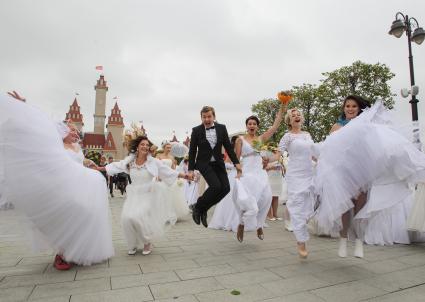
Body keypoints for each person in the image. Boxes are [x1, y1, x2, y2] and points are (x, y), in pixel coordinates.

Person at [1, 92, 114, 270]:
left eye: (76, 131)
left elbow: (80, 161)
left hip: (78, 184)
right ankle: (62, 252)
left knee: (84, 213)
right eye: (71, 130)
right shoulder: (53, 144)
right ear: (62, 130)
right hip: (60, 185)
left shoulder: (77, 146)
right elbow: (37, 128)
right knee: (66, 214)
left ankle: (76, 249)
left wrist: (92, 164)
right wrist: (22, 106)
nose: (75, 133)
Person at [98, 135, 188, 255]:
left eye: (147, 145)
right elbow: (117, 165)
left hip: (148, 194)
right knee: (127, 218)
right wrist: (99, 168)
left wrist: (185, 176)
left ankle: (147, 242)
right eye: (142, 144)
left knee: (138, 217)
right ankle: (133, 243)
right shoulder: (130, 161)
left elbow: (169, 172)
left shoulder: (153, 162)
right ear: (137, 147)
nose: (145, 146)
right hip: (133, 194)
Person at [234, 102, 285, 242]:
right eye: (249, 123)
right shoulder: (240, 140)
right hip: (247, 173)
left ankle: (259, 224)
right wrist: (238, 172)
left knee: (266, 198)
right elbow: (236, 158)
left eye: (254, 124)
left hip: (260, 172)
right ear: (246, 126)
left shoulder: (261, 139)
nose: (252, 126)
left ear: (257, 126)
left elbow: (275, 127)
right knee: (248, 202)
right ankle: (242, 224)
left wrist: (282, 107)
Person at [188, 106, 242, 228]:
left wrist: (236, 163)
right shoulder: (196, 130)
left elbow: (228, 147)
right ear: (201, 117)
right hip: (204, 163)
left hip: (218, 163)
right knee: (216, 186)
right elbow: (192, 151)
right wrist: (190, 169)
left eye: (209, 116)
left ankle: (203, 208)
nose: (207, 119)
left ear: (214, 116)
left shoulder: (221, 128)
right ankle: (198, 206)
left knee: (225, 188)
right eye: (204, 117)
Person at [278, 108, 317, 258]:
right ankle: (301, 242)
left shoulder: (307, 135)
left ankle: (301, 227)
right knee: (297, 206)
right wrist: (268, 160)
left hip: (309, 173)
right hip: (295, 175)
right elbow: (279, 153)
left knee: (310, 206)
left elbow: (313, 154)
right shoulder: (287, 137)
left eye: (298, 115)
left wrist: (323, 161)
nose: (296, 116)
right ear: (289, 121)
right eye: (293, 115)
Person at [157, 141, 190, 220]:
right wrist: (158, 176)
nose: (169, 149)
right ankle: (161, 215)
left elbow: (173, 169)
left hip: (170, 179)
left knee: (171, 197)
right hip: (161, 178)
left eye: (170, 147)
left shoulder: (172, 157)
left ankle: (171, 214)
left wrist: (177, 178)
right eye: (167, 147)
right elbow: (156, 167)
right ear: (163, 148)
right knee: (162, 197)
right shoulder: (158, 156)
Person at [266, 148, 284, 221]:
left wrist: (282, 167)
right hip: (270, 178)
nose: (277, 151)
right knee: (270, 197)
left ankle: (275, 214)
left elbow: (283, 168)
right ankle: (269, 215)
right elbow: (264, 167)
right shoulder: (268, 157)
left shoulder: (280, 158)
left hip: (278, 178)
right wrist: (273, 167)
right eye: (276, 150)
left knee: (276, 196)